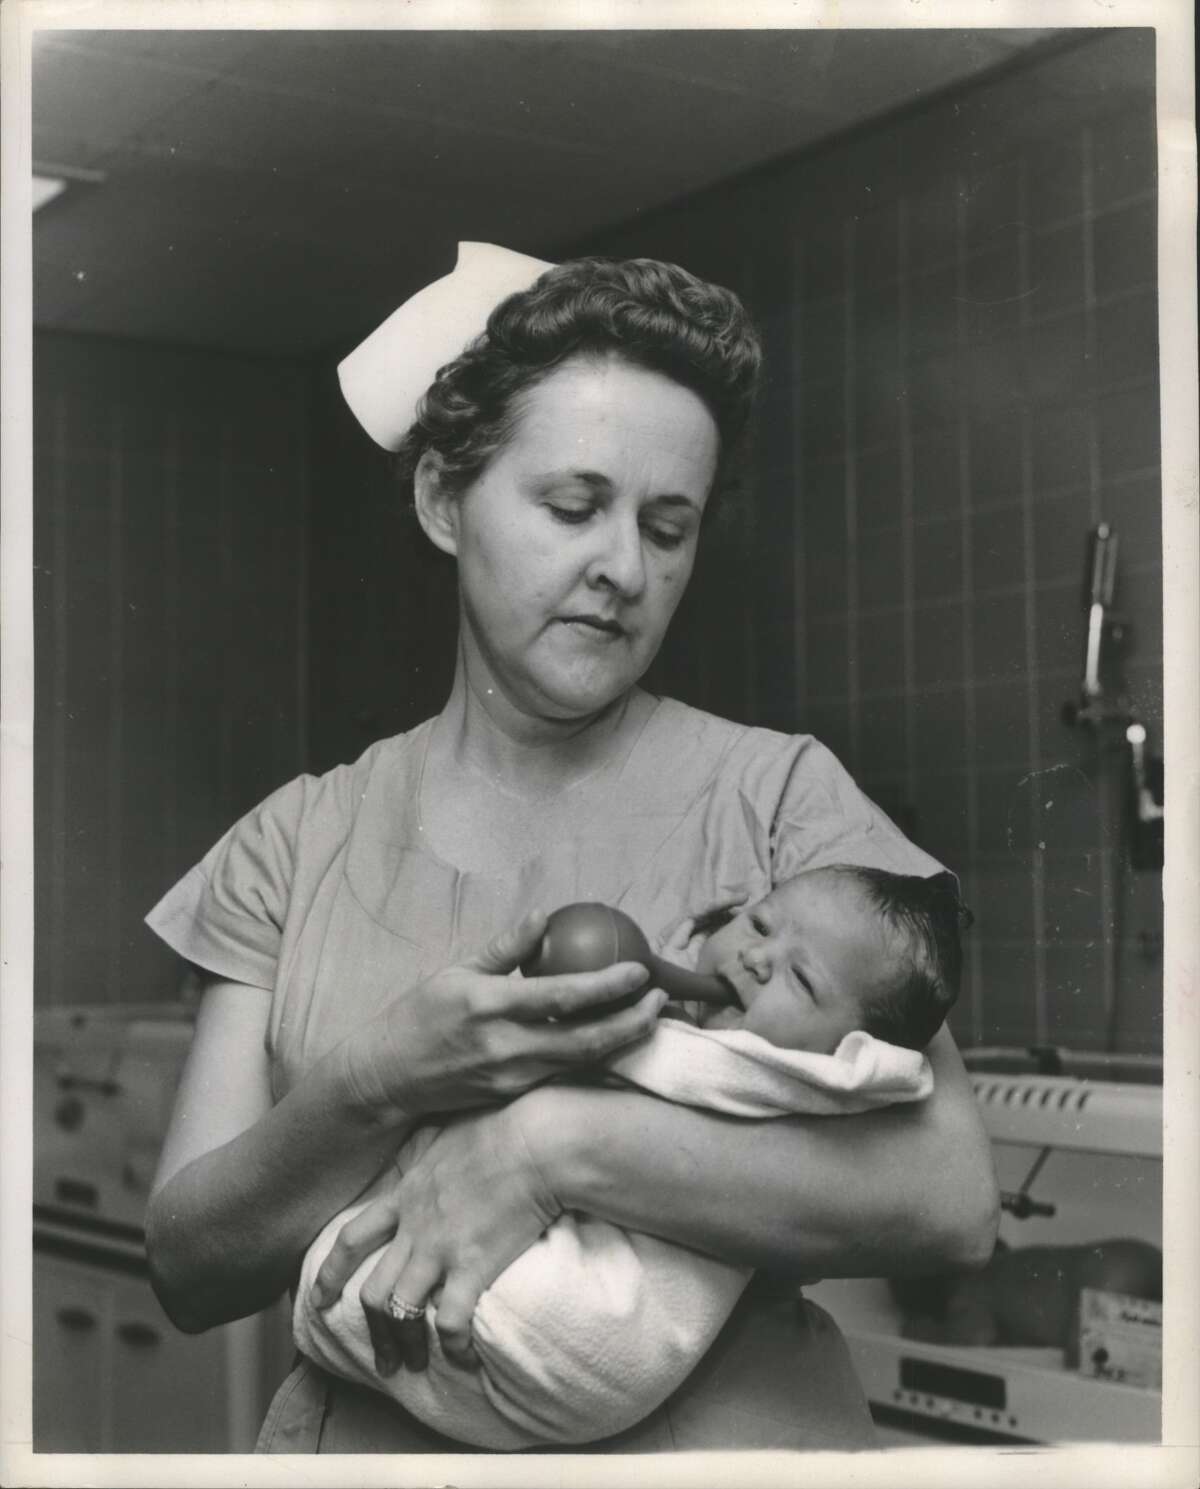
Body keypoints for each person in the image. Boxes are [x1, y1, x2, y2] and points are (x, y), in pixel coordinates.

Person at [144, 243, 998, 1454]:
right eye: (573, 506)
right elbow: (188, 1265)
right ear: (446, 499)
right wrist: (382, 1077)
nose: (625, 572)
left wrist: (561, 1147)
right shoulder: (298, 841)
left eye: (669, 527)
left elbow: (953, 1202)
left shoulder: (780, 801)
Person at [291, 864, 969, 1449]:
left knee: (359, 1262)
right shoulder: (706, 1023)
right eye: (760, 923)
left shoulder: (794, 1079)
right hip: (574, 1379)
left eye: (804, 979)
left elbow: (661, 1067)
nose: (758, 958)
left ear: (854, 1054)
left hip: (592, 1335)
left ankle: (338, 1304)